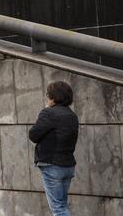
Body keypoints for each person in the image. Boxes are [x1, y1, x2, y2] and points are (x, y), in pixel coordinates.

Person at [29, 80, 79, 216]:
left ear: (53, 97)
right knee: (62, 205)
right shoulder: (72, 116)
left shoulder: (48, 113)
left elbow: (33, 135)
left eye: (48, 95)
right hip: (68, 166)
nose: (47, 98)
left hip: (52, 166)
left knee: (58, 209)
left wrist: (46, 110)